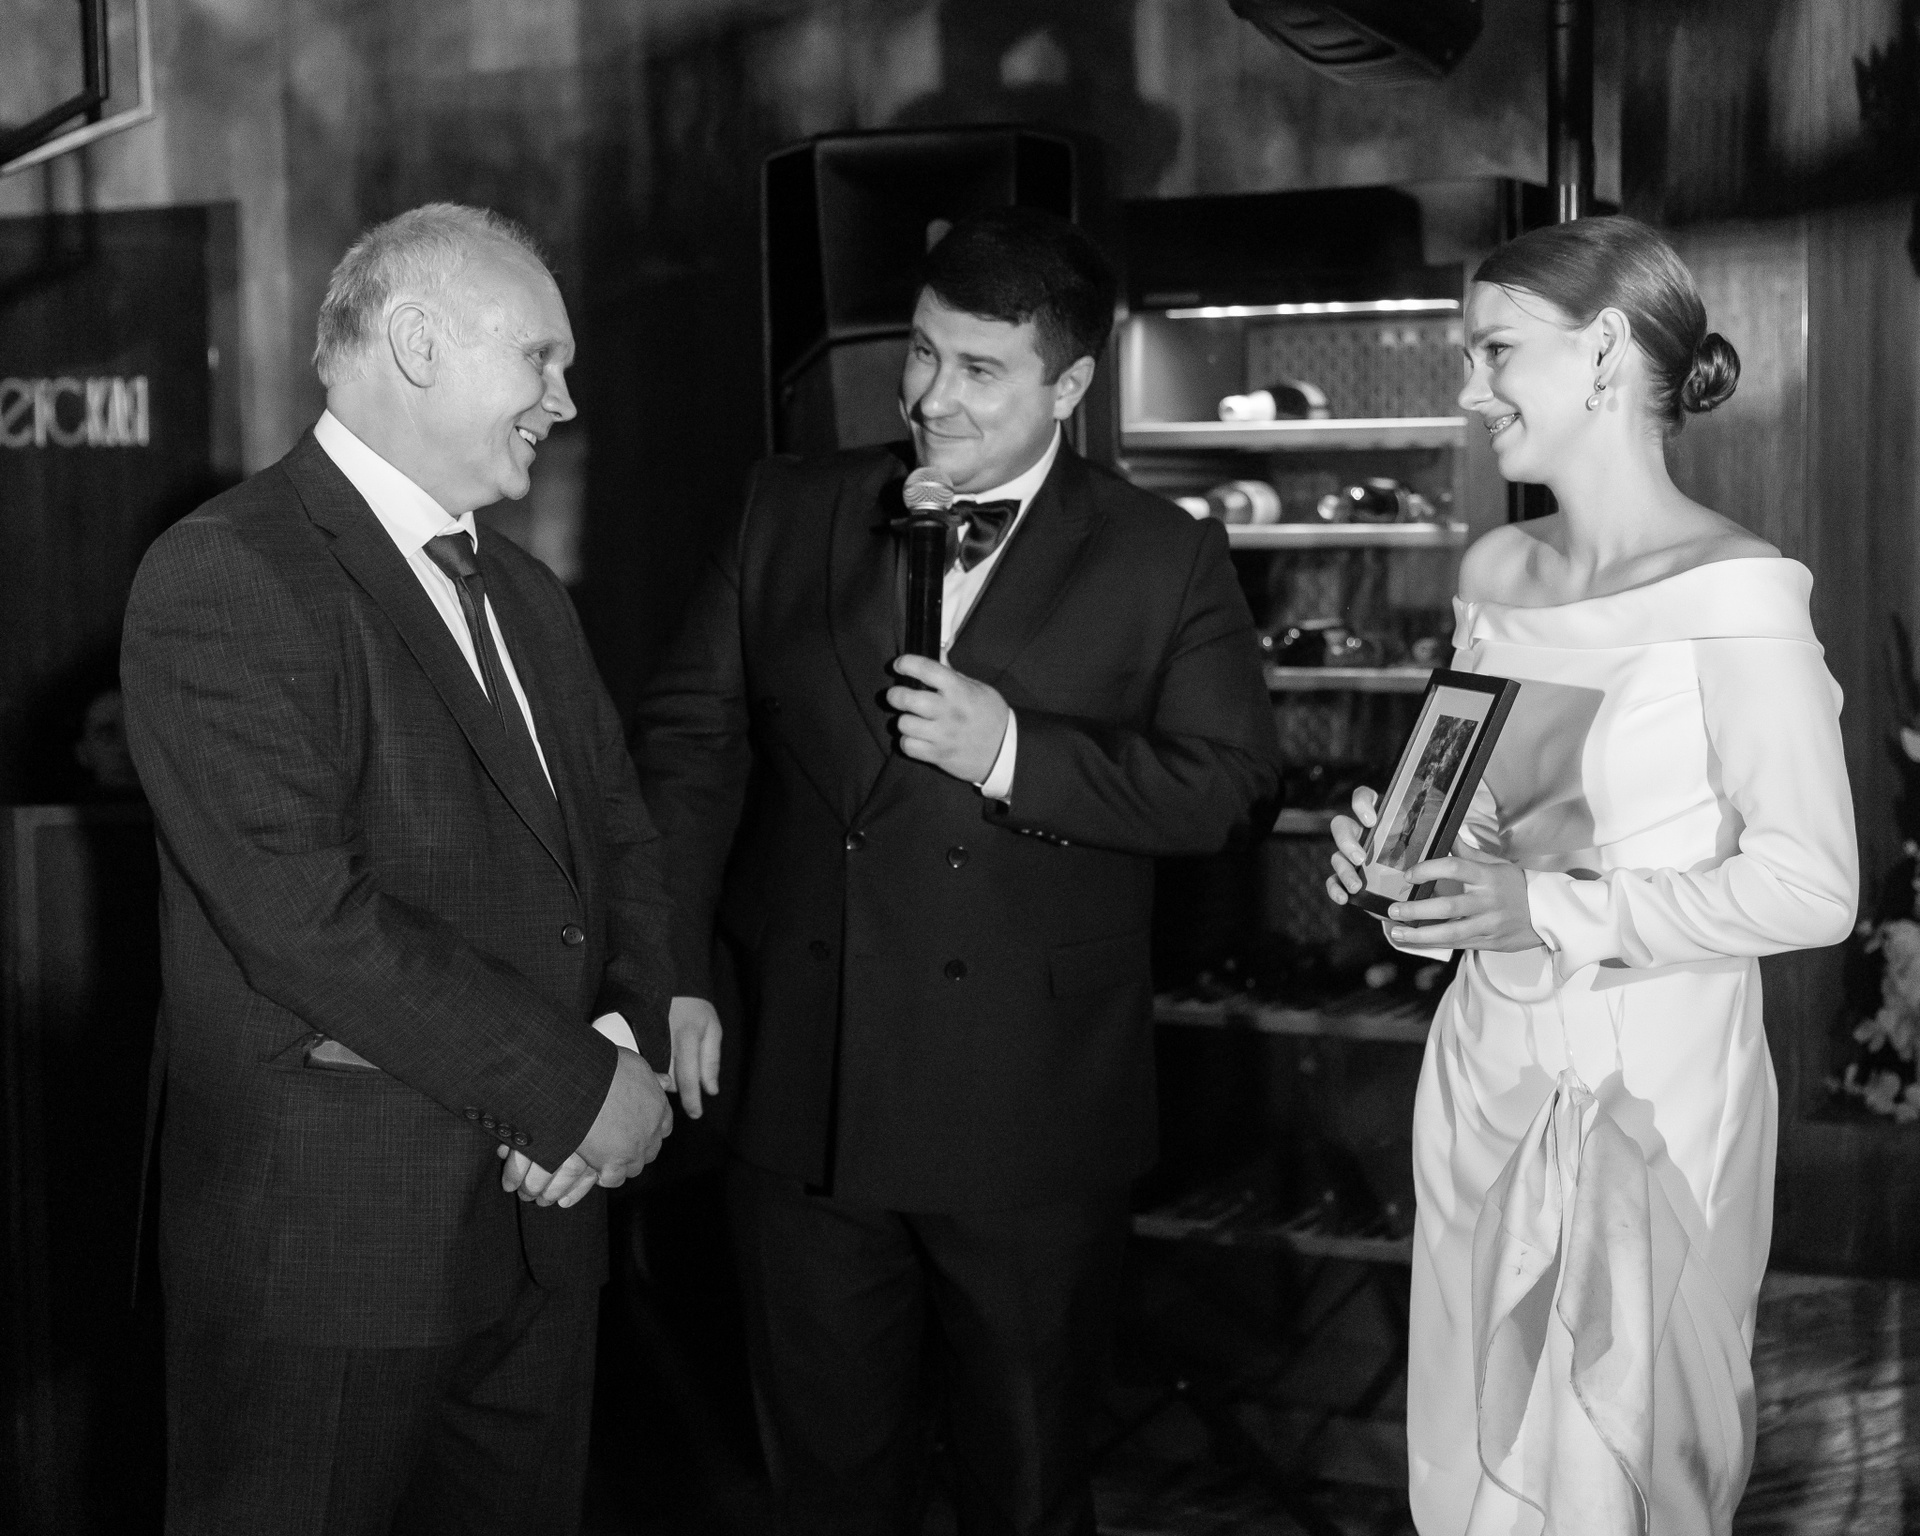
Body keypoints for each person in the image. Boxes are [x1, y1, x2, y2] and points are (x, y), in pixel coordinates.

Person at [629, 206, 1283, 1535]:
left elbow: (1233, 790)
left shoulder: (1164, 554)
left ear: (1071, 387)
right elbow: (688, 752)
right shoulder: (786, 506)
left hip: (1029, 1110)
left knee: (1024, 1490)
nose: (932, 397)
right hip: (801, 1089)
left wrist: (1013, 754)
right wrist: (671, 969)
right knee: (823, 1488)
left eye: (981, 370)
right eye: (923, 353)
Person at [121, 203, 708, 1536]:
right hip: (332, 1262)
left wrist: (617, 1037)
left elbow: (619, 842)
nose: (565, 400)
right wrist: (574, 1091)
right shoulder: (227, 570)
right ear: (420, 341)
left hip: (542, 1237)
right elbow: (304, 922)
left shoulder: (528, 593)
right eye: (540, 358)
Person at [1326, 216, 1858, 1534]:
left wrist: (1547, 908)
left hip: (1651, 1095)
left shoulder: (1738, 593)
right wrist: (1405, 876)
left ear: (1605, 350)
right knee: (1474, 1454)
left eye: (1494, 350)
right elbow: (1477, 827)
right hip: (1484, 1073)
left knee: (1626, 1461)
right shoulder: (1494, 573)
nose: (1469, 387)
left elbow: (1812, 888)